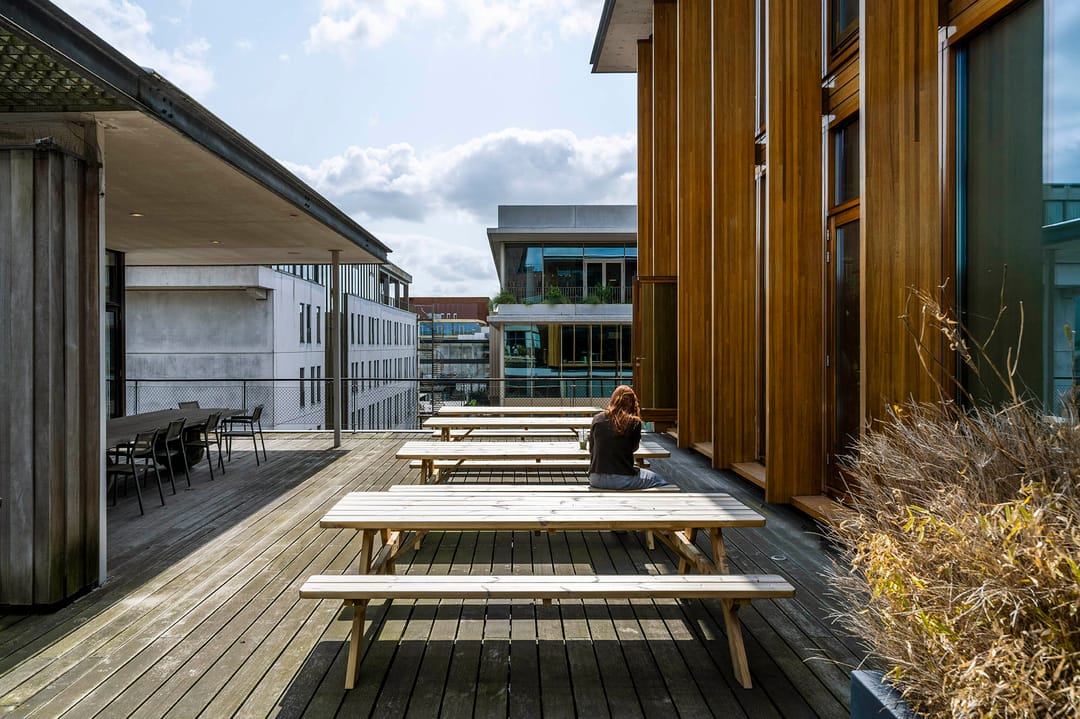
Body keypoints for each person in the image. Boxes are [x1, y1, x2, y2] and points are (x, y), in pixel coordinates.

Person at [588, 385, 670, 490]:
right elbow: (634, 448)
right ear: (633, 403)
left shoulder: (597, 418)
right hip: (623, 478)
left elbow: (591, 449)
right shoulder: (634, 422)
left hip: (595, 478)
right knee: (659, 480)